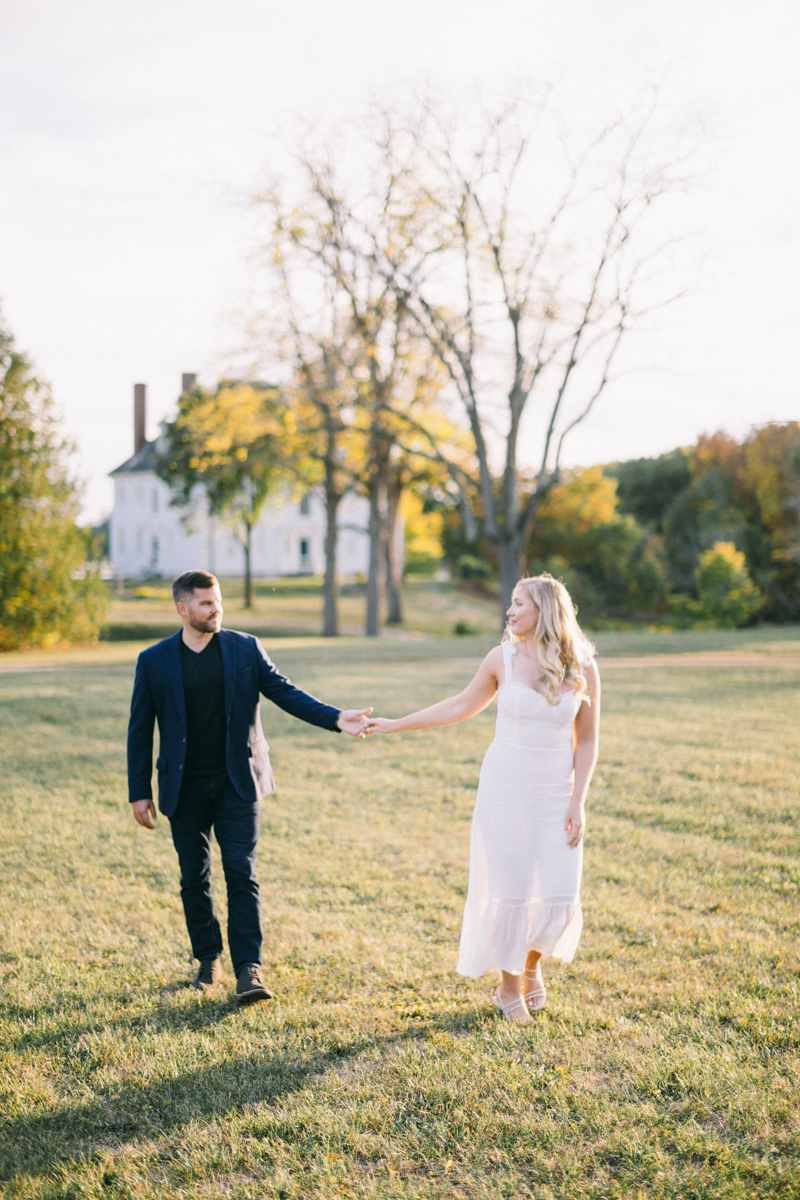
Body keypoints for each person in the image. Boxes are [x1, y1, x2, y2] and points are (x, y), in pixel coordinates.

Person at [127, 570, 372, 1004]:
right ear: (183, 609)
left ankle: (249, 970)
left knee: (242, 871)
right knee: (193, 877)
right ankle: (207, 958)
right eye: (205, 603)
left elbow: (285, 691)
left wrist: (335, 718)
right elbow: (140, 728)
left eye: (218, 600)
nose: (215, 608)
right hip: (182, 786)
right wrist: (138, 790)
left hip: (237, 782)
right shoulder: (154, 660)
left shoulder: (245, 648)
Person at [367, 574, 600, 1024]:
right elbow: (458, 706)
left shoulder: (583, 665)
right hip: (506, 788)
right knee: (511, 887)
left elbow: (587, 742)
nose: (509, 612)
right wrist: (397, 724)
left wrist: (578, 801)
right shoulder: (503, 658)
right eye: (509, 603)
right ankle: (508, 988)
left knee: (555, 889)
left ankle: (530, 968)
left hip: (557, 792)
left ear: (545, 611)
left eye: (518, 604)